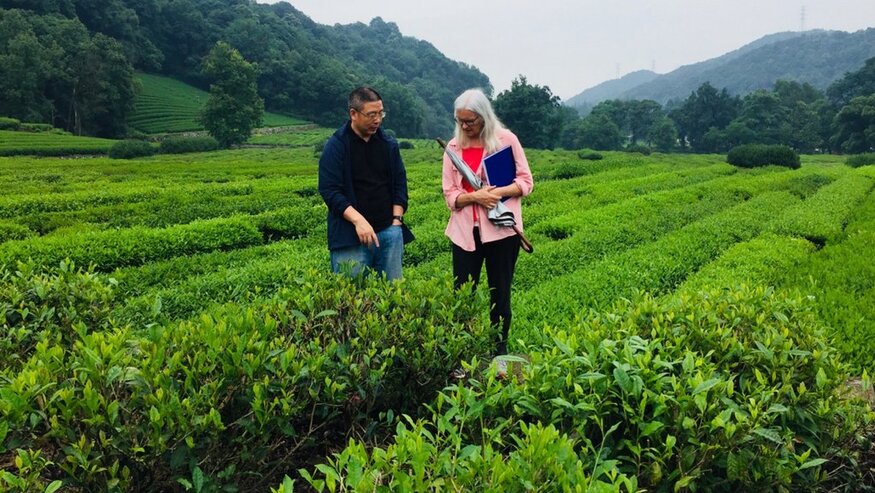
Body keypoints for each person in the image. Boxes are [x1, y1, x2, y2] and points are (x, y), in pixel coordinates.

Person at [441, 88, 534, 377]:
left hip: (501, 232)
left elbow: (526, 182)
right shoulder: (453, 147)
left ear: (484, 118)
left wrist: (499, 192)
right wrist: (475, 197)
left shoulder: (506, 141)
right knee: (463, 295)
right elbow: (450, 194)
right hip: (465, 233)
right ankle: (462, 358)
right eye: (461, 121)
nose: (465, 127)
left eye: (470, 121)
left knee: (500, 295)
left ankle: (499, 355)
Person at [318, 86, 412, 281]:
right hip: (350, 237)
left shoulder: (388, 144)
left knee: (393, 298)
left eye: (380, 113)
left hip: (388, 231)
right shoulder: (336, 146)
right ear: (353, 114)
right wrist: (359, 221)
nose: (377, 120)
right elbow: (330, 190)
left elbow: (399, 184)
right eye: (371, 115)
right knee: (353, 300)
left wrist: (396, 222)